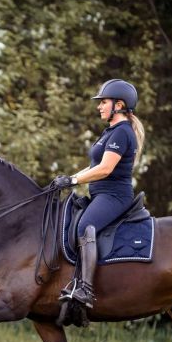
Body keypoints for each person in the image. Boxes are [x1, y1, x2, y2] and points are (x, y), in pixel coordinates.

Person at [52, 79, 145, 308]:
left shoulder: (122, 133)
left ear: (119, 105)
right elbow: (94, 166)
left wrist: (74, 180)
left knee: (86, 226)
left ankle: (85, 289)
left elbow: (105, 170)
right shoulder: (110, 132)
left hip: (115, 196)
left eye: (103, 102)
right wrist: (69, 179)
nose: (99, 107)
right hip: (102, 195)